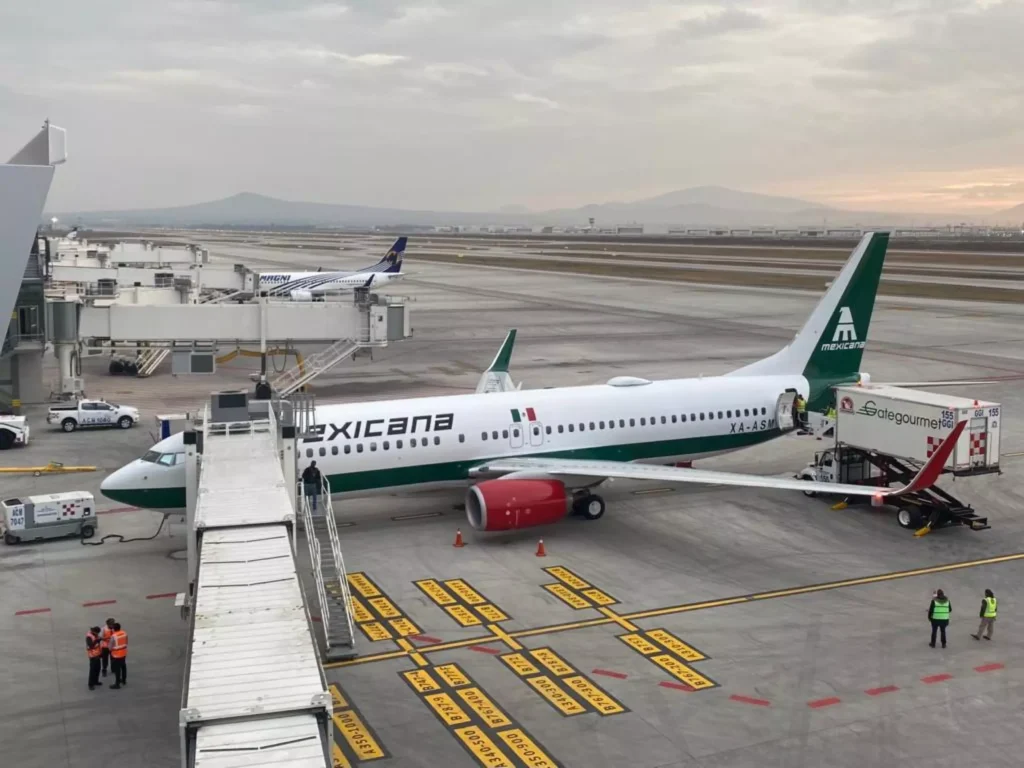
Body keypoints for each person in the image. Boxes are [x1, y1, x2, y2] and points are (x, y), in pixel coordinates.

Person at [108, 622, 127, 689]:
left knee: (117, 669)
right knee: (123, 667)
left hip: (116, 655)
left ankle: (117, 684)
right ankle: (124, 680)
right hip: (123, 653)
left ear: (114, 629)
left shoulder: (114, 636)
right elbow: (126, 642)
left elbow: (110, 647)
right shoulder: (124, 633)